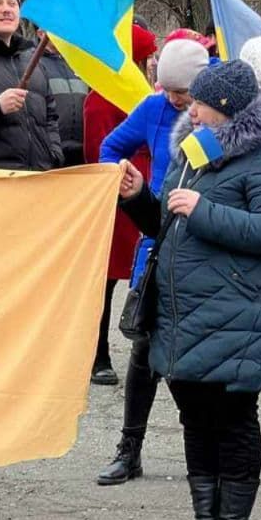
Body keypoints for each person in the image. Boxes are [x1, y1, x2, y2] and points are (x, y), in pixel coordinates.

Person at [116, 59, 261, 520]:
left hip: (236, 312)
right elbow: (167, 223)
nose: (190, 110)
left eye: (200, 103)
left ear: (227, 110)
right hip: (183, 312)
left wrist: (204, 210)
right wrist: (137, 201)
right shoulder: (190, 152)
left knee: (233, 423)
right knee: (194, 422)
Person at [96, 37, 210, 485]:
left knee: (198, 349)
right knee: (144, 347)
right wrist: (120, 179)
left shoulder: (226, 111)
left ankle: (205, 445)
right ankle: (130, 447)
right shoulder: (151, 107)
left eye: (180, 92)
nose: (172, 99)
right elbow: (110, 146)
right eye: (166, 88)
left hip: (205, 238)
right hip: (156, 235)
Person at [83, 22, 159, 384]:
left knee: (146, 275)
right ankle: (97, 353)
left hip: (146, 191)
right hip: (117, 199)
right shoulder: (101, 98)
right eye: (147, 57)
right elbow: (99, 150)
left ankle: (147, 350)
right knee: (104, 281)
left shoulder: (145, 93)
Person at [0, 0, 62, 171]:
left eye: (12, 3)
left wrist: (54, 153)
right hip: (1, 180)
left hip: (39, 176)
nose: (6, 9)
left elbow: (51, 115)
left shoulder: (32, 59)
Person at [36, 32, 88, 167]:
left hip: (81, 153)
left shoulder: (79, 63)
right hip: (52, 154)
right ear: (41, 33)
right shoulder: (33, 64)